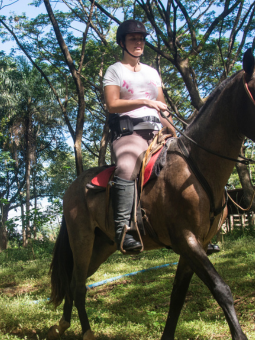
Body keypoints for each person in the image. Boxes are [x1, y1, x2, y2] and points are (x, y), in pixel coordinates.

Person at [104, 20, 175, 253]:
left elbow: (162, 106)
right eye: (133, 38)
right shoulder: (115, 70)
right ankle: (124, 231)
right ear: (122, 42)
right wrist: (145, 101)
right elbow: (112, 104)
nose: (139, 42)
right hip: (130, 133)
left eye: (142, 38)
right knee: (125, 167)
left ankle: (201, 226)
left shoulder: (153, 73)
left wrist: (173, 129)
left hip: (158, 131)